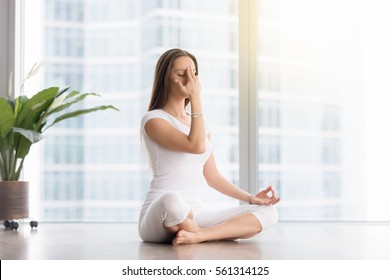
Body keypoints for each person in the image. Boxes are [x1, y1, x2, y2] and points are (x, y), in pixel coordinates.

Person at [139, 48, 280, 246]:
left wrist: (250, 198)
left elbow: (212, 177)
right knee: (172, 200)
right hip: (160, 215)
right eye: (182, 74)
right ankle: (209, 232)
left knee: (268, 211)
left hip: (197, 214)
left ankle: (198, 235)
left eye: (194, 74)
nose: (190, 80)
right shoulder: (153, 120)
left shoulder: (201, 125)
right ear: (165, 78)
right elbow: (195, 146)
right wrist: (196, 98)